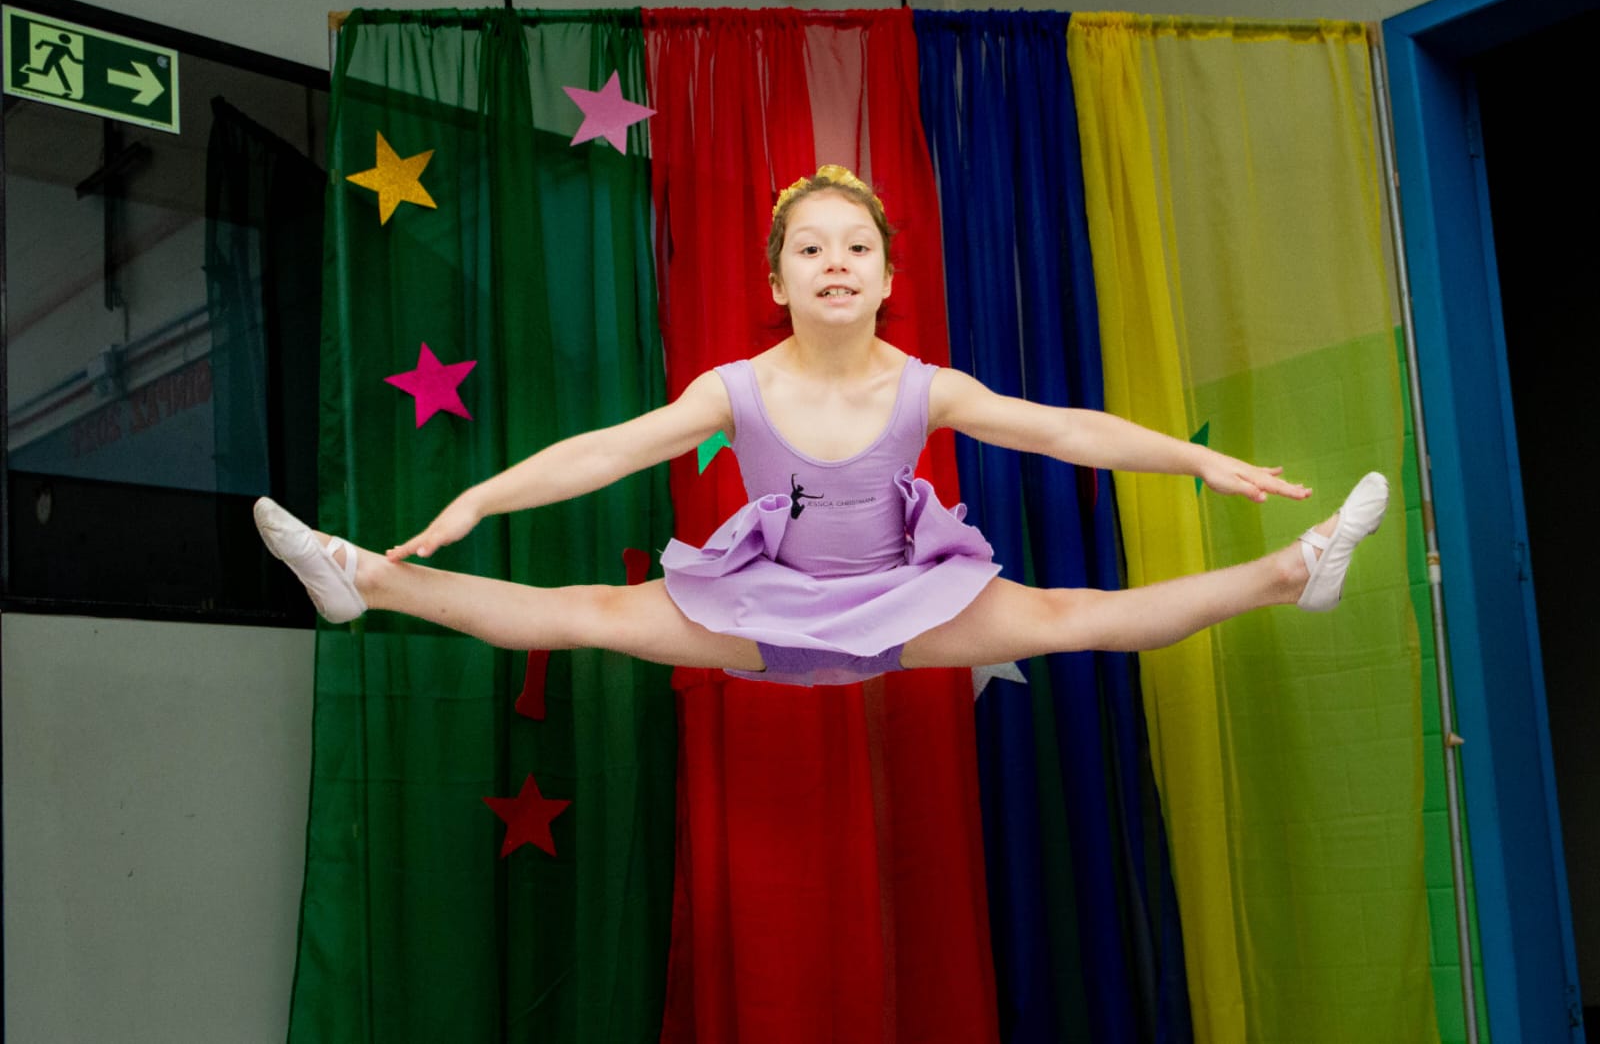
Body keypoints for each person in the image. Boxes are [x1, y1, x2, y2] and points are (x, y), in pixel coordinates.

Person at [255, 165, 1388, 685]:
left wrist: (1196, 460)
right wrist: (477, 498)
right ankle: (367, 579)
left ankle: (1295, 571)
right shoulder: (734, 388)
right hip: (764, 608)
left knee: (1070, 615)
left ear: (888, 277)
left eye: (857, 246)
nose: (834, 261)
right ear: (778, 280)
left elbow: (1064, 431)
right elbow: (605, 450)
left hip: (901, 603)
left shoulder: (928, 386)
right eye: (810, 247)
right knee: (590, 611)